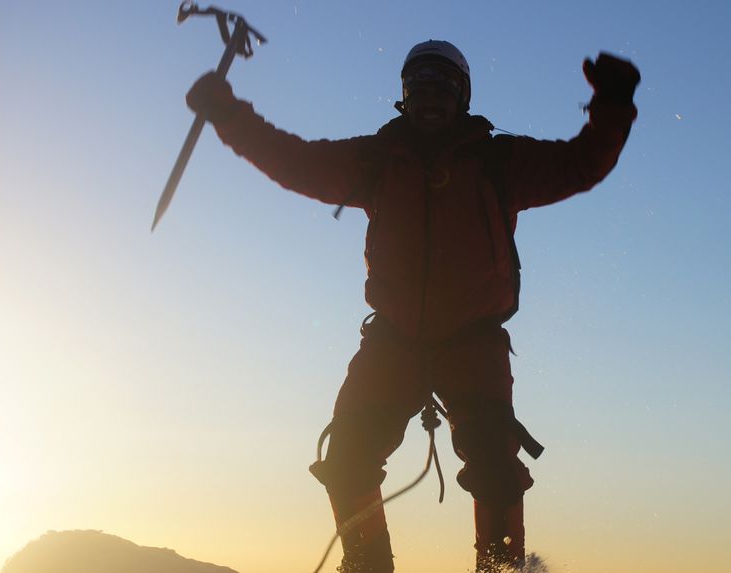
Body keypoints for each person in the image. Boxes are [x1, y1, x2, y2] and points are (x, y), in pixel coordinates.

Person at [186, 39, 640, 572]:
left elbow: (580, 164)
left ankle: (500, 569)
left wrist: (611, 104)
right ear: (403, 96)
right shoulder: (376, 162)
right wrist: (227, 114)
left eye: (443, 85)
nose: (430, 95)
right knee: (349, 458)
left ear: (462, 97)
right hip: (394, 340)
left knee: (495, 464)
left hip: (473, 341)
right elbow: (295, 161)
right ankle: (367, 566)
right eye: (418, 84)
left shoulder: (497, 162)